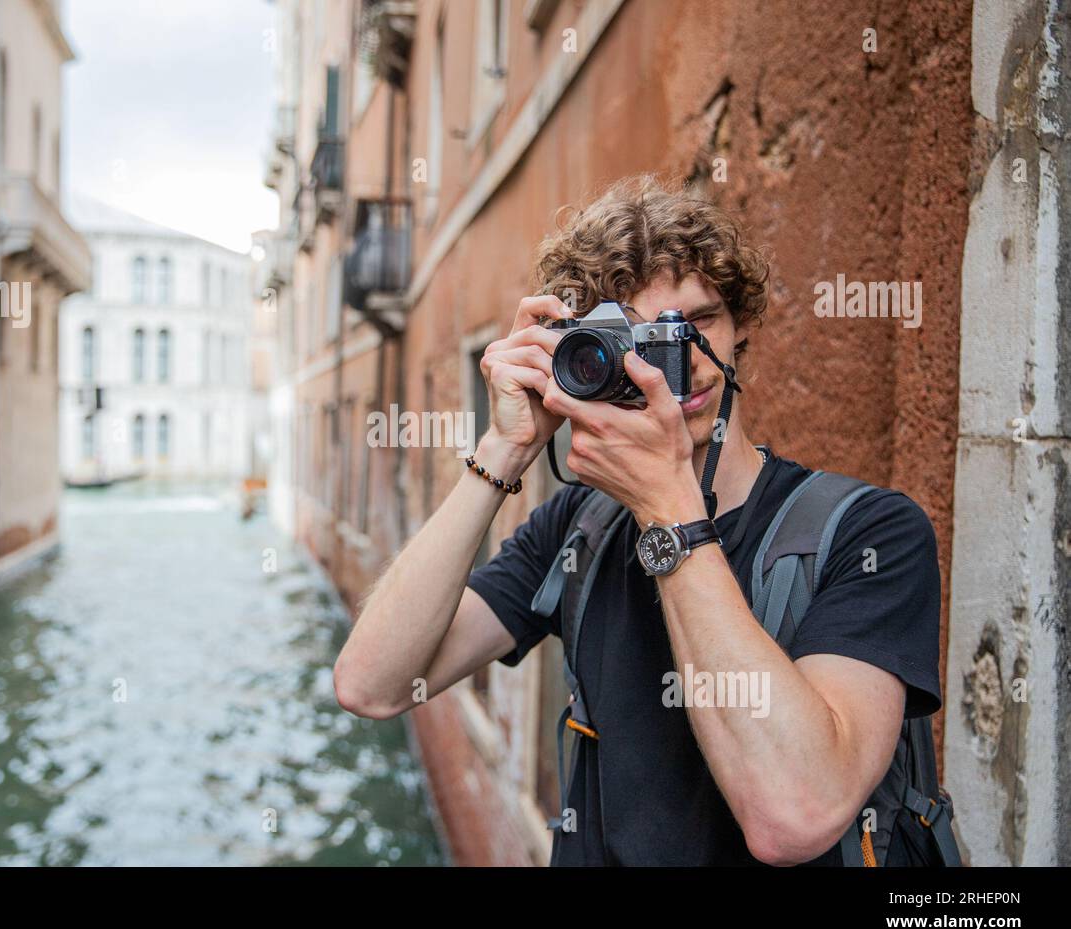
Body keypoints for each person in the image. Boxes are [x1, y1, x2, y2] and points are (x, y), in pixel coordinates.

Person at [333, 174, 942, 866]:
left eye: (697, 323)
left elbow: (794, 817)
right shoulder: (581, 526)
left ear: (742, 327)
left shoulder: (870, 535)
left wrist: (667, 503)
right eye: (639, 337)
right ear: (585, 353)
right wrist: (503, 449)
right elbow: (372, 685)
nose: (671, 361)